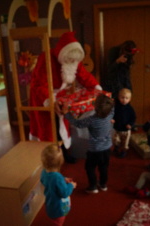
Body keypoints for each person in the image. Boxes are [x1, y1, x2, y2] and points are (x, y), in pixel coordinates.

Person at [29, 31, 102, 162]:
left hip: (60, 95)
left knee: (64, 123)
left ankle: (64, 151)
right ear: (63, 54)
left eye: (75, 60)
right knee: (49, 127)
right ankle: (51, 157)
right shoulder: (45, 58)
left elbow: (84, 75)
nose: (73, 62)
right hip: (42, 96)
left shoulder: (74, 58)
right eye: (71, 60)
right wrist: (50, 100)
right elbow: (39, 84)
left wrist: (97, 89)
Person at [59, 94, 114, 193]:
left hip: (95, 150)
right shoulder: (110, 114)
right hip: (107, 149)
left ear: (95, 107)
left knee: (90, 167)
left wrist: (67, 113)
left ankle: (93, 186)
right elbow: (112, 108)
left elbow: (77, 124)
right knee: (104, 167)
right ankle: (103, 185)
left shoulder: (91, 120)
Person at [40, 144, 77, 225]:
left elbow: (44, 180)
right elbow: (64, 193)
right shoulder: (57, 177)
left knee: (54, 221)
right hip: (58, 209)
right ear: (61, 162)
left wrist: (63, 179)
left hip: (50, 205)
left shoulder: (44, 171)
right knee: (58, 223)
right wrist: (71, 186)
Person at [112, 88, 136, 158]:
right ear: (119, 97)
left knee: (125, 143)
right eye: (122, 97)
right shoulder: (116, 107)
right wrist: (113, 119)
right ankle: (116, 147)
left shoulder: (130, 109)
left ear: (130, 99)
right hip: (117, 128)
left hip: (126, 130)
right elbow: (113, 114)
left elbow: (133, 118)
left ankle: (123, 151)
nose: (124, 100)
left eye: (126, 98)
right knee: (116, 140)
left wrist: (130, 124)